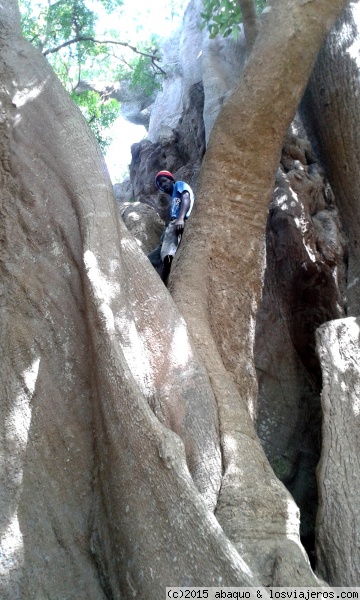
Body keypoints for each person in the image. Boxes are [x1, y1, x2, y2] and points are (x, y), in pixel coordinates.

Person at [148, 170, 195, 283]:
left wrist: (180, 218)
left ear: (171, 179)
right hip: (170, 227)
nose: (163, 185)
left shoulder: (179, 184)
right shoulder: (173, 199)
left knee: (167, 256)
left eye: (164, 181)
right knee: (152, 257)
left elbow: (186, 198)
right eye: (160, 185)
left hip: (177, 222)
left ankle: (162, 282)